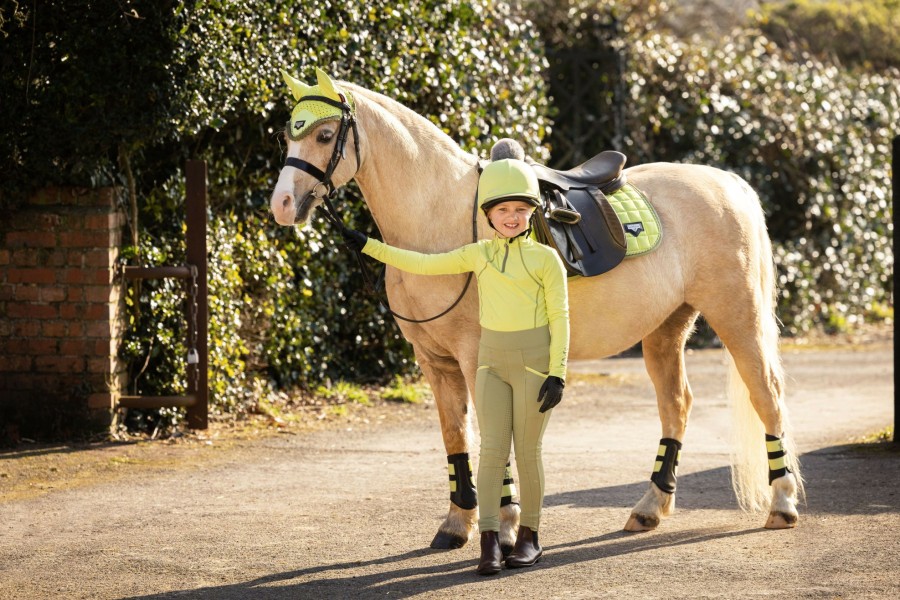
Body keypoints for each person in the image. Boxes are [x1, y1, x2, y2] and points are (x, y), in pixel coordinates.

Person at [342, 157, 569, 575]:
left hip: (535, 364)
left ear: (532, 212)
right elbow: (423, 264)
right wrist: (367, 245)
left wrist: (558, 372)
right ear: (489, 215)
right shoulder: (479, 254)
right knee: (491, 452)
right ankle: (489, 543)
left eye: (521, 210)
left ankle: (531, 537)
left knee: (529, 451)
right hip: (492, 364)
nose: (512, 217)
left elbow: (561, 317)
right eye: (503, 210)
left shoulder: (546, 260)